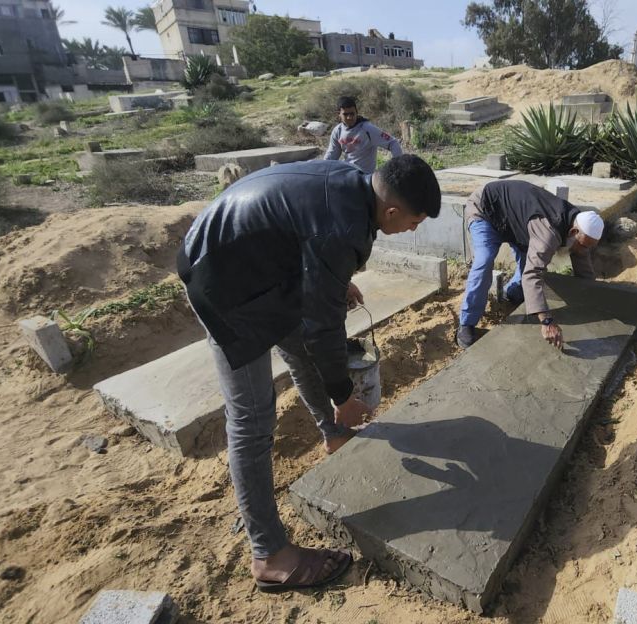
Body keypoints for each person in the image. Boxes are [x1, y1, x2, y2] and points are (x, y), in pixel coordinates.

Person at [177, 155, 441, 592]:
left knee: (296, 346)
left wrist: (333, 280)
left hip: (250, 263)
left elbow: (306, 241)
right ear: (392, 211)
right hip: (221, 283)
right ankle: (270, 555)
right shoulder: (342, 229)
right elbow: (324, 331)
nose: (413, 230)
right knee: (251, 420)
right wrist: (344, 396)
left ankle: (334, 435)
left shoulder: (351, 185)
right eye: (415, 222)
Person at [456, 180, 604, 350]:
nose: (585, 250)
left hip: (514, 220)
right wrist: (547, 321)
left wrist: (593, 294)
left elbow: (581, 258)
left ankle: (510, 294)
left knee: (526, 264)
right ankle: (466, 324)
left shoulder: (577, 224)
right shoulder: (548, 233)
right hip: (486, 209)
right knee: (485, 260)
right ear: (573, 232)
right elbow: (533, 275)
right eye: (584, 245)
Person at [323, 95, 402, 174]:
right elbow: (332, 154)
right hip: (348, 174)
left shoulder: (368, 129)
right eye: (345, 114)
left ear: (356, 112)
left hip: (365, 177)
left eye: (352, 113)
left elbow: (393, 143)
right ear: (338, 114)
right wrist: (321, 169)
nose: (349, 117)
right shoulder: (337, 131)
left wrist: (398, 167)